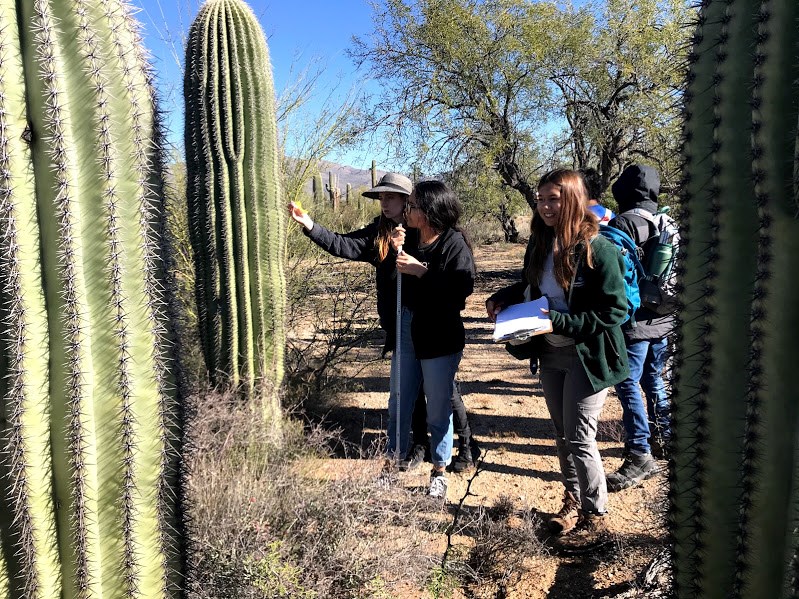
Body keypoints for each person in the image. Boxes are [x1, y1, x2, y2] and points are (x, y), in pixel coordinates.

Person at [287, 173, 479, 473]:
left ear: (409, 202)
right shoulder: (382, 232)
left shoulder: (426, 234)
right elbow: (344, 245)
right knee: (406, 392)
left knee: (443, 391)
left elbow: (451, 284)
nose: (384, 203)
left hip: (434, 327)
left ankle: (466, 447)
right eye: (381, 198)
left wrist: (415, 264)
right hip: (400, 322)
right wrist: (310, 225)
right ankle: (416, 447)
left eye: (391, 197)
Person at [486, 168, 629, 551]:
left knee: (581, 436)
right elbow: (532, 286)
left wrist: (559, 321)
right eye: (541, 198)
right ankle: (572, 502)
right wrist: (504, 297)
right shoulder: (539, 242)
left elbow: (615, 310)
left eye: (555, 198)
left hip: (587, 355)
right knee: (562, 434)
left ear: (574, 200)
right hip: (550, 353)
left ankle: (594, 516)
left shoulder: (598, 249)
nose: (546, 206)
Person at [388, 180, 475, 499]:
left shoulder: (454, 244)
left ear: (428, 212)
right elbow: (394, 278)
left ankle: (439, 469)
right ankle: (390, 463)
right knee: (399, 398)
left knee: (438, 405)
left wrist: (421, 271)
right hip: (408, 325)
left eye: (411, 206)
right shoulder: (408, 238)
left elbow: (460, 290)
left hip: (440, 332)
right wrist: (396, 249)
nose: (406, 210)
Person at [603, 164, 673, 491]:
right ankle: (665, 437)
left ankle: (639, 453)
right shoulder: (668, 221)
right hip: (666, 318)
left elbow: (611, 275)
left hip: (636, 322)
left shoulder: (623, 223)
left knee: (627, 380)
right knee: (653, 378)